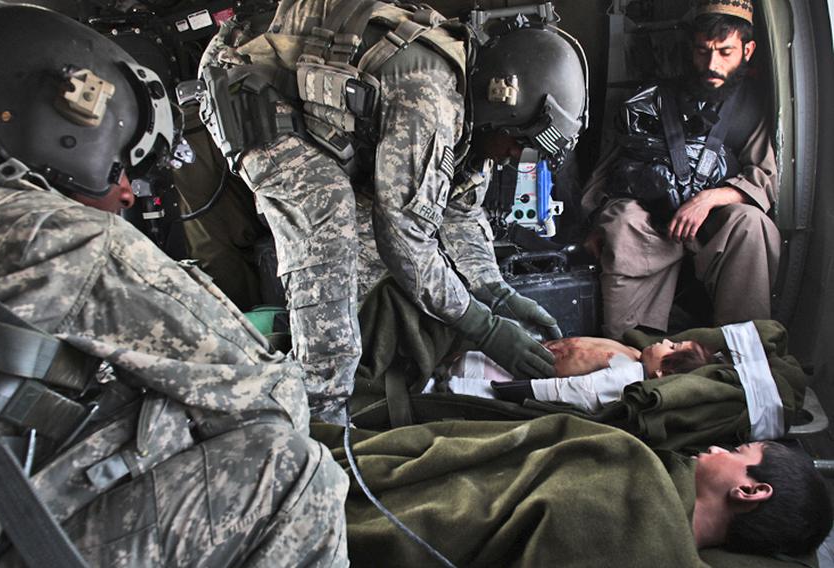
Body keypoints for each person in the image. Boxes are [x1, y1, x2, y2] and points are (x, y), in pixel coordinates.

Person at [0, 6, 347, 567]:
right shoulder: (47, 232)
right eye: (122, 163)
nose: (126, 192)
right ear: (74, 118)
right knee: (294, 470)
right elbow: (264, 393)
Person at [196, 1, 589, 423]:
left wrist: (496, 292)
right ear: (503, 105)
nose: (515, 156)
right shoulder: (430, 98)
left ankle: (339, 371)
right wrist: (485, 328)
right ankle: (318, 420)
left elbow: (460, 209)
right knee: (329, 222)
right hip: (250, 81)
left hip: (327, 121)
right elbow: (405, 239)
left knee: (369, 282)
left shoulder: (476, 120)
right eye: (520, 143)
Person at [314, 415, 832, 566]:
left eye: (739, 452)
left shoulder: (635, 470)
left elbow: (480, 454)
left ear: (752, 491)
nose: (719, 448)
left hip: (357, 508)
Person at [581, 0, 780, 339]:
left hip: (713, 224)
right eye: (703, 51)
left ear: (748, 50)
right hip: (650, 222)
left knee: (752, 224)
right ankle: (633, 350)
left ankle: (742, 350)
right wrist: (596, 219)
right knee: (622, 219)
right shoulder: (652, 101)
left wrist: (710, 199)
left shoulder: (750, 109)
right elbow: (606, 175)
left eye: (725, 52)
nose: (712, 64)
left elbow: (764, 178)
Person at [442, 337, 714, 412]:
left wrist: (498, 391)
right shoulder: (634, 353)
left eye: (672, 347)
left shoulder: (626, 377)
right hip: (508, 359)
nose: (665, 341)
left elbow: (572, 391)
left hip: (502, 380)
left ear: (661, 372)